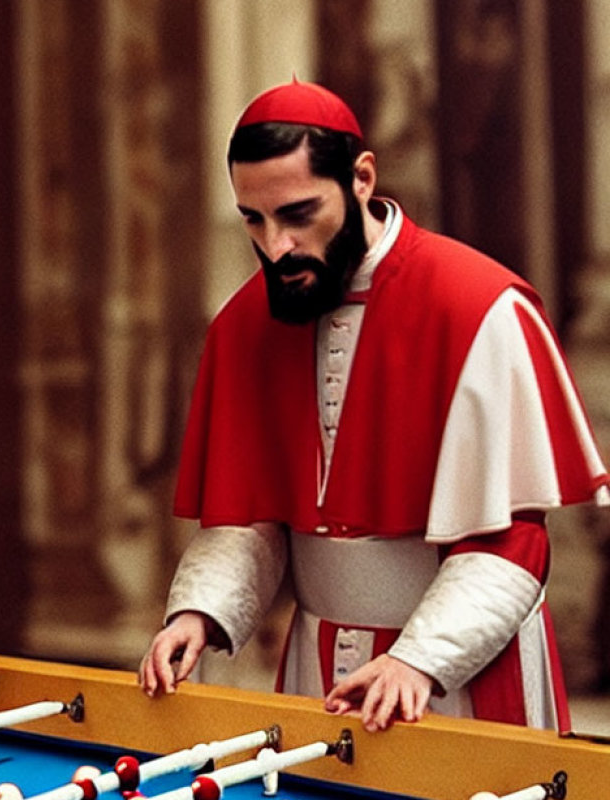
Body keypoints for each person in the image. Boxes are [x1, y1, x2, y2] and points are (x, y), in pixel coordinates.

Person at [139, 79, 609, 734]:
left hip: (458, 677)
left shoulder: (479, 308)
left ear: (361, 178)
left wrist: (418, 660)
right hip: (317, 662)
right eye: (255, 218)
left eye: (298, 214)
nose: (275, 247)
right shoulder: (244, 325)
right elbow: (249, 521)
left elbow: (511, 543)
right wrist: (199, 613)